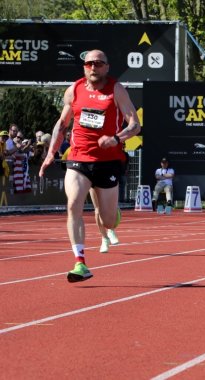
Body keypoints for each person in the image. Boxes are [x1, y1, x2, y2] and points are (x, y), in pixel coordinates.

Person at [39, 49, 141, 283]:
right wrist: (50, 154)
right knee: (74, 203)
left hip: (108, 161)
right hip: (78, 158)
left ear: (106, 67)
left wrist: (116, 139)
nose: (93, 67)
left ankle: (111, 217)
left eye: (98, 63)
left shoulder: (116, 89)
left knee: (106, 220)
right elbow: (61, 125)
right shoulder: (74, 89)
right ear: (84, 67)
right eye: (89, 64)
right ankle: (80, 262)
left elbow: (135, 124)